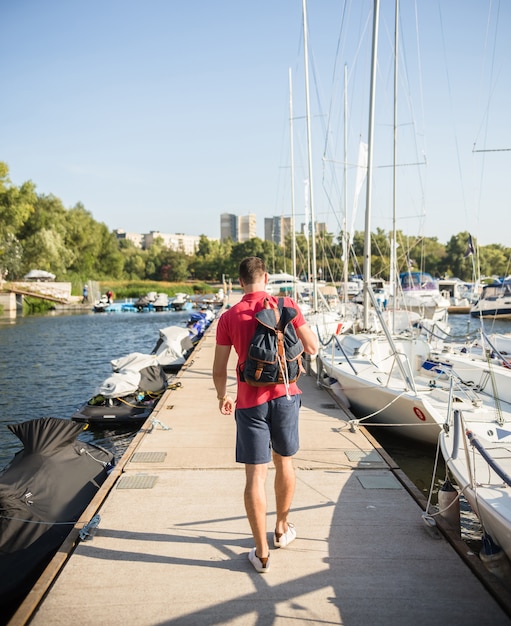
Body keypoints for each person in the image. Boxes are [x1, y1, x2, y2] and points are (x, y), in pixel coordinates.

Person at [212, 256, 318, 573]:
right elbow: (311, 348)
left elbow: (218, 369)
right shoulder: (286, 304)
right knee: (285, 462)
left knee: (255, 476)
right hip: (286, 396)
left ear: (240, 281)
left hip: (249, 403)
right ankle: (282, 529)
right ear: (267, 277)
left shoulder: (230, 316)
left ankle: (260, 554)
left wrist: (223, 396)